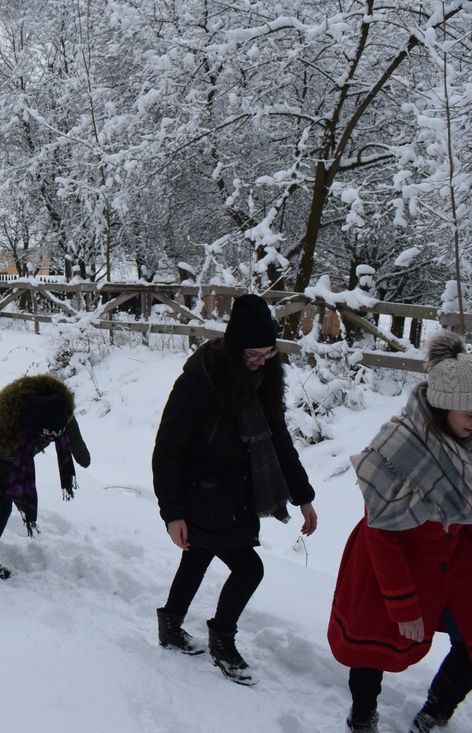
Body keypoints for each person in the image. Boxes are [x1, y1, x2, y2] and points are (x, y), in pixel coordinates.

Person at [329, 332, 472, 733]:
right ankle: (362, 716)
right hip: (391, 563)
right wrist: (403, 605)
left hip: (453, 559)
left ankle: (434, 714)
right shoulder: (397, 447)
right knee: (371, 648)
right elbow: (381, 532)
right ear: (444, 406)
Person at [151, 293, 318, 685]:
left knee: (198, 554)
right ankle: (222, 640)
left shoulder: (264, 381)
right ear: (233, 350)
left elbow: (278, 440)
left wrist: (303, 495)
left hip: (239, 491)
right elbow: (168, 450)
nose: (262, 362)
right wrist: (173, 514)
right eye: (253, 355)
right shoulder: (199, 383)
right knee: (249, 569)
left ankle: (170, 625)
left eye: (269, 353)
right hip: (202, 491)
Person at [0, 374, 91, 579]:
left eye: (56, 436)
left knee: (4, 509)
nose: (52, 440)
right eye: (46, 437)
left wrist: (82, 456)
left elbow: (70, 429)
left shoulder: (57, 411)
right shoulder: (1, 427)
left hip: (10, 457)